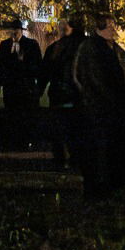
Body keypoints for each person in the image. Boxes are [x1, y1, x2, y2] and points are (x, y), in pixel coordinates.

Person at [74, 13, 125, 198]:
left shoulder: (113, 48)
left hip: (114, 108)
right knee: (100, 150)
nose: (114, 30)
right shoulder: (91, 48)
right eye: (110, 26)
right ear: (99, 29)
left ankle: (115, 184)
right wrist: (110, 99)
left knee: (114, 148)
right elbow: (95, 79)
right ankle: (100, 187)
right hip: (99, 109)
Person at [41, 17, 87, 168]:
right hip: (74, 95)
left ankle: (61, 159)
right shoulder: (80, 47)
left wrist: (39, 90)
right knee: (74, 129)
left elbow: (45, 73)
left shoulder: (54, 49)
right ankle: (74, 158)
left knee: (60, 130)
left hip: (58, 94)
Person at [0, 19, 43, 151]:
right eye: (12, 30)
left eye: (16, 30)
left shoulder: (31, 45)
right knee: (12, 114)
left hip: (25, 87)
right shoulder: (4, 45)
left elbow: (37, 65)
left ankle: (25, 141)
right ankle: (13, 141)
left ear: (21, 31)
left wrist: (23, 64)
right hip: (10, 87)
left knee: (24, 115)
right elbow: (0, 66)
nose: (14, 33)